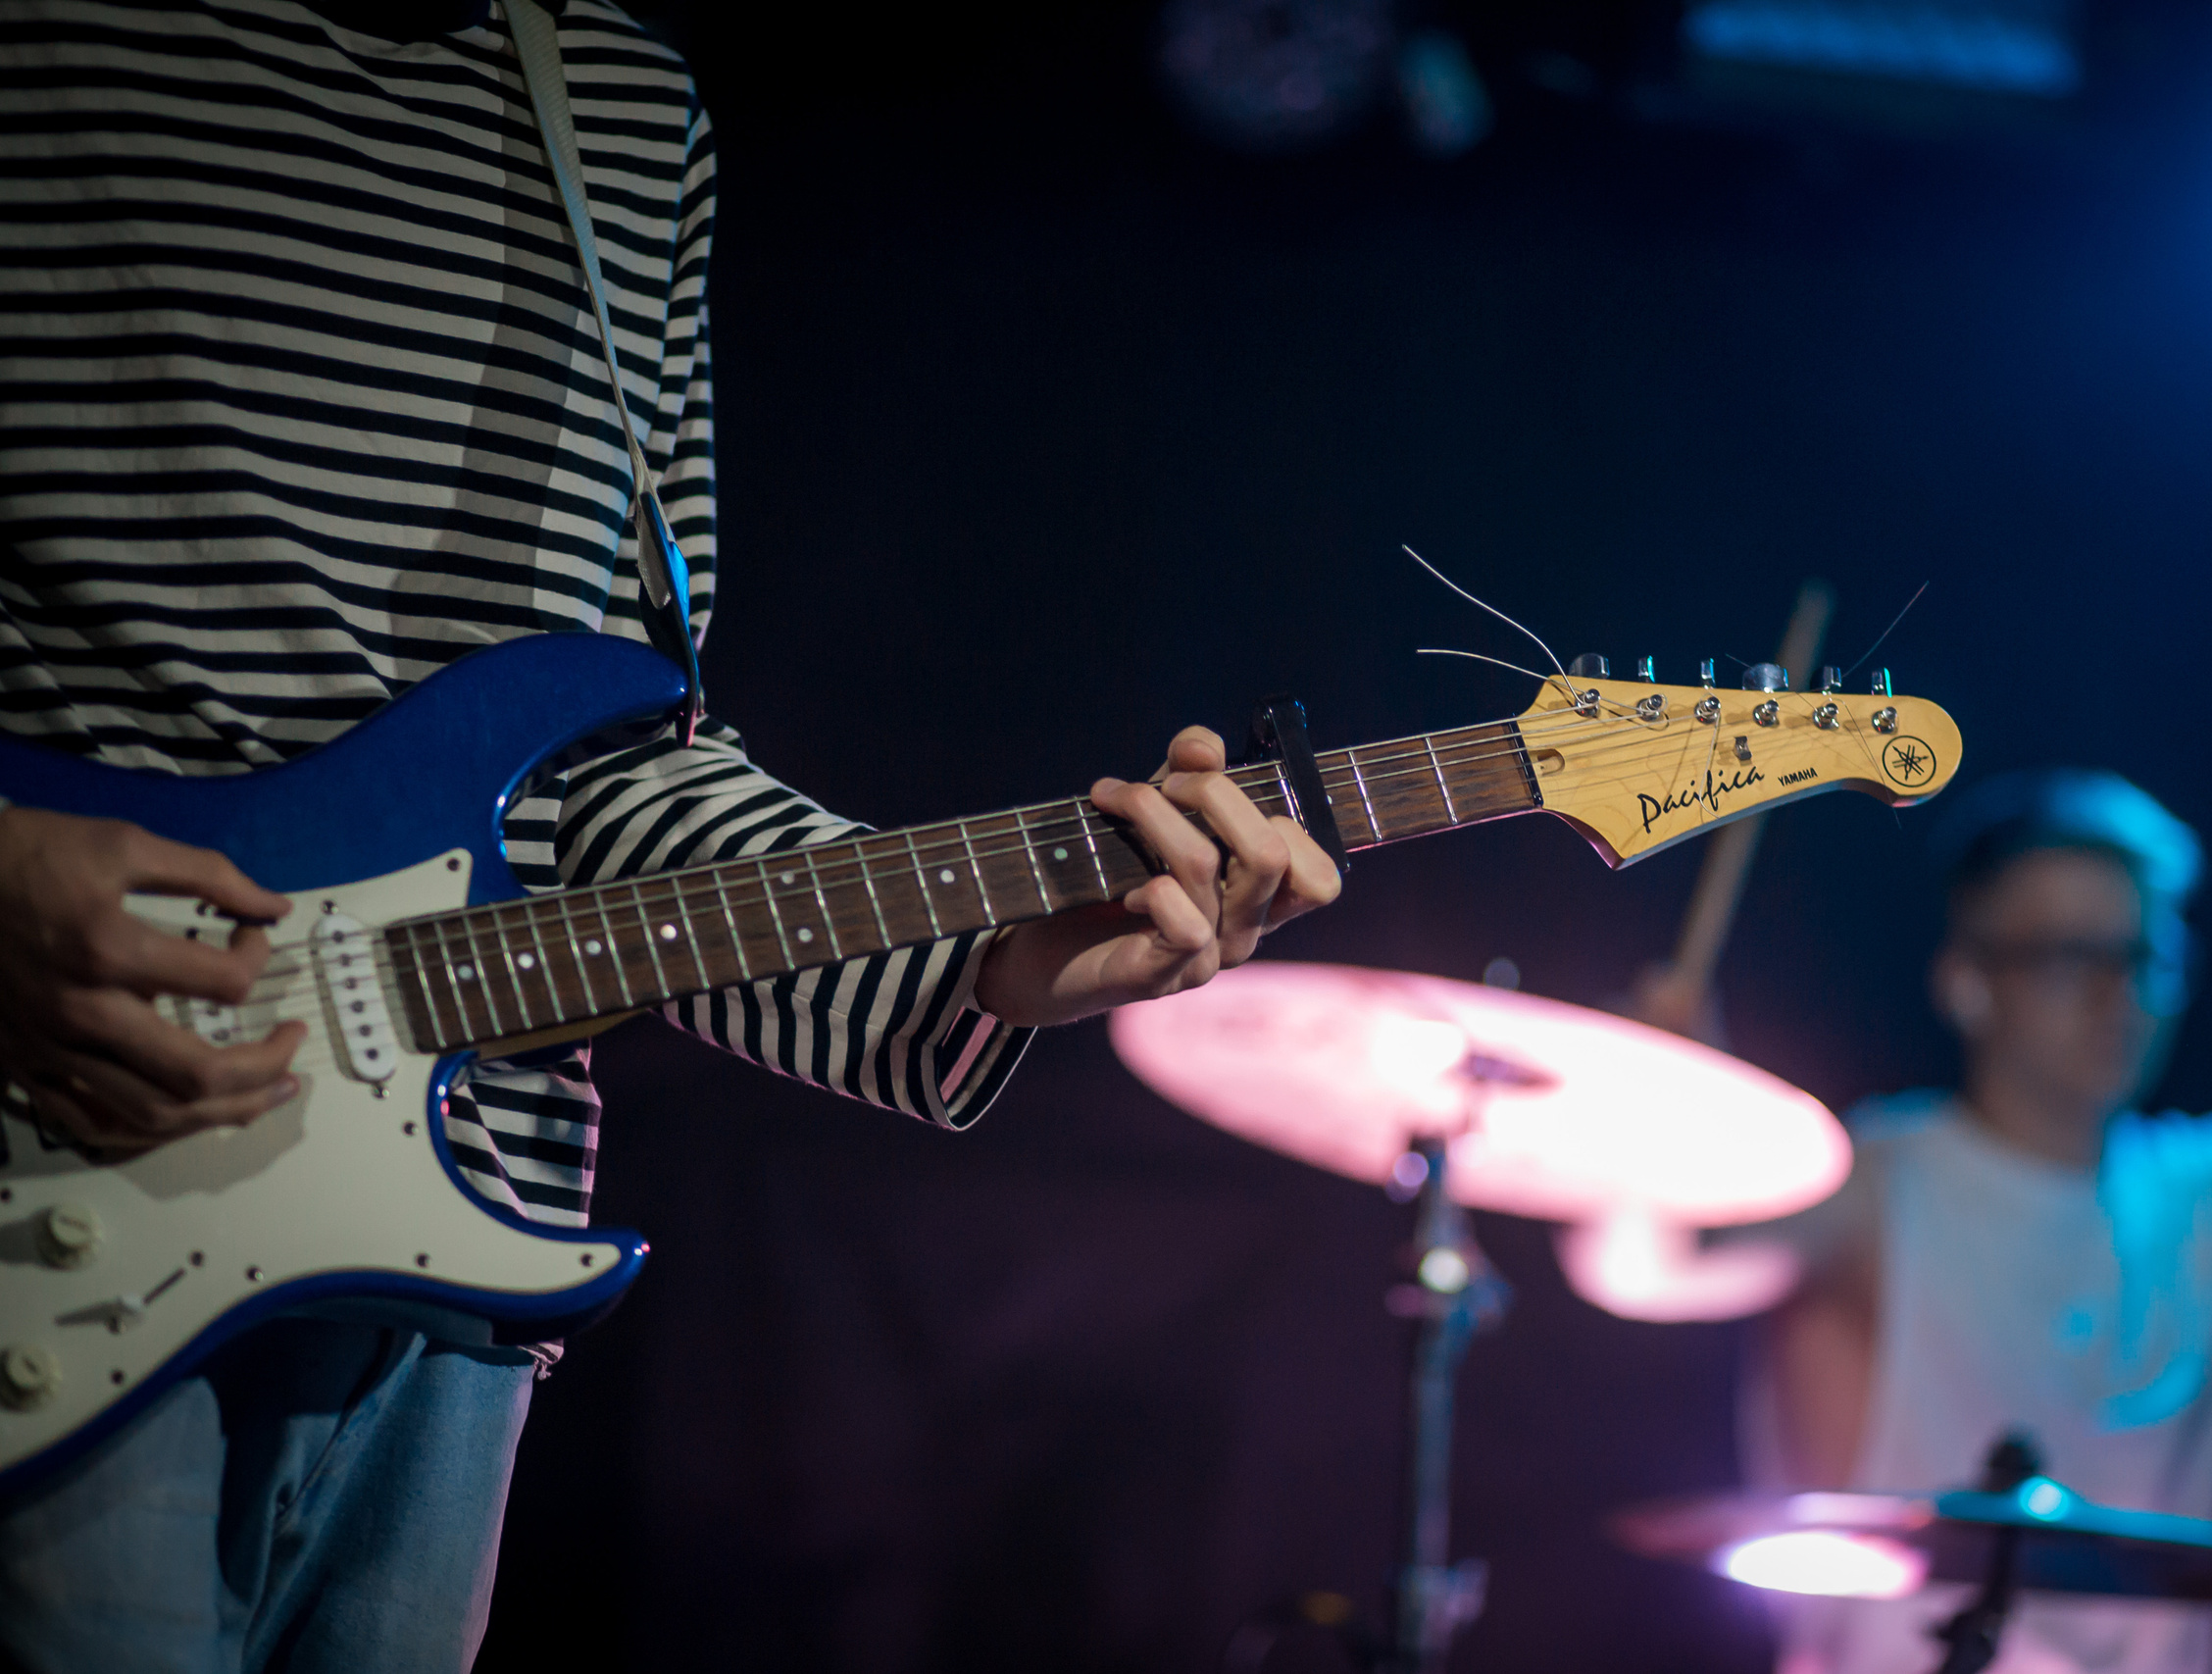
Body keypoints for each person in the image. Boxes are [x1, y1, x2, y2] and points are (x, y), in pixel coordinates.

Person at [0, 1, 1340, 1668]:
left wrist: (988, 954)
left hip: (452, 1225)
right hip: (55, 1138)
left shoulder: (610, 101)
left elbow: (607, 782)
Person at [1702, 769, 2212, 1674]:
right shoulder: (1872, 1183)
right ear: (1967, 980)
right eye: (2066, 955)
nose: (2114, 994)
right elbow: (1657, 1260)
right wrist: (1657, 1105)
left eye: (2141, 957)